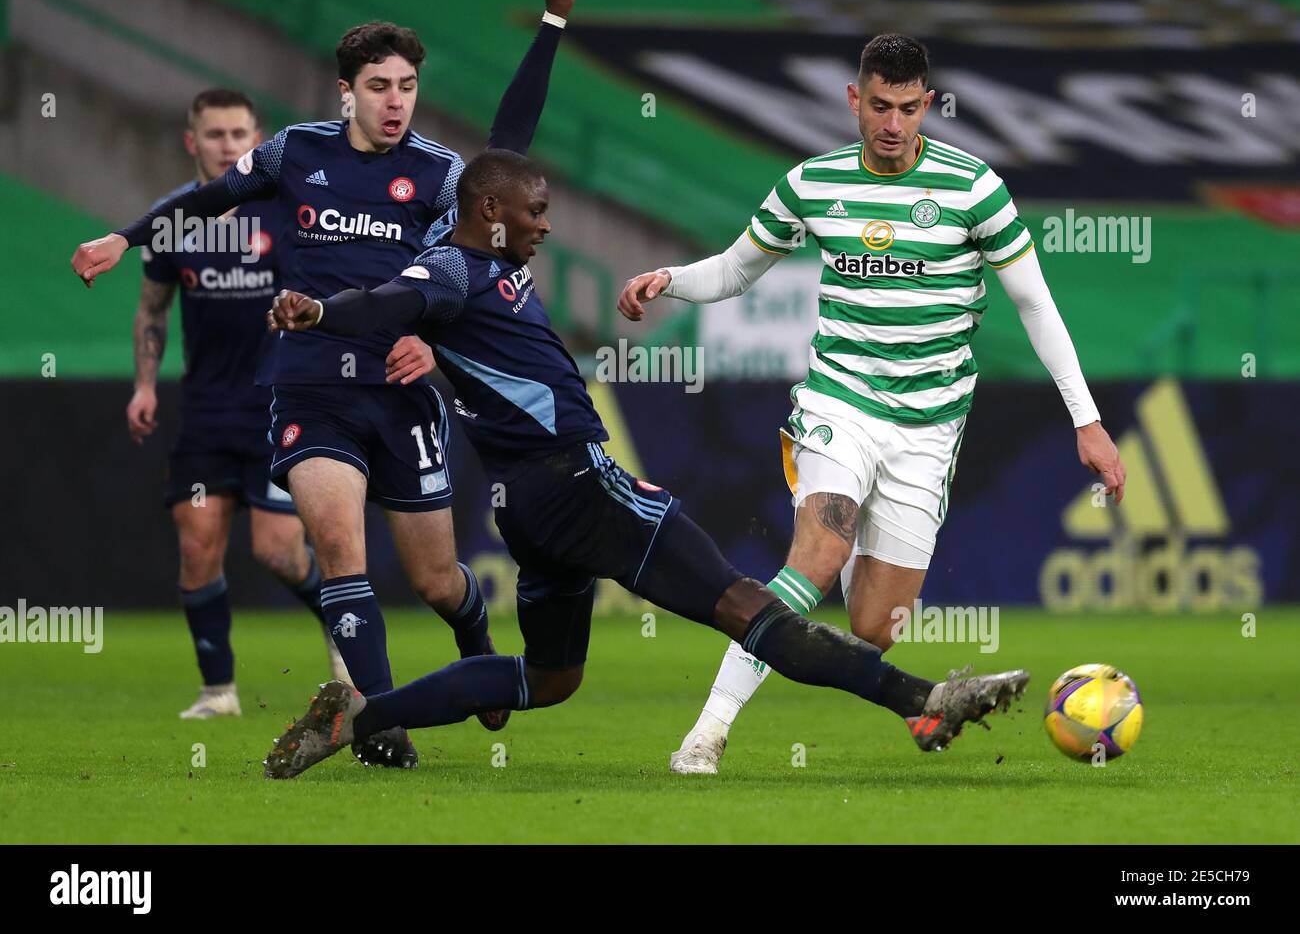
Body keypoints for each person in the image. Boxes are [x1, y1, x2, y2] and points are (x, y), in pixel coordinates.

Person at [259, 149, 1029, 780]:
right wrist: (323, 311)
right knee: (752, 610)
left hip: (528, 508)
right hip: (579, 484)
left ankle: (362, 715)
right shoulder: (453, 271)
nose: (547, 223)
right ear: (491, 213)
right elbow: (387, 301)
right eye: (536, 210)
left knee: (552, 678)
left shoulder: (487, 267)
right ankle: (924, 702)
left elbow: (433, 288)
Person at [72, 0, 578, 767]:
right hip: (307, 382)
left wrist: (552, 26)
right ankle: (380, 726)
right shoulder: (294, 154)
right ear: (346, 90)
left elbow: (505, 160)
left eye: (407, 86)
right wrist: (124, 237)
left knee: (438, 580)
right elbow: (207, 198)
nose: (395, 102)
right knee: (341, 554)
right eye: (379, 87)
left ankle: (473, 640)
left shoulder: (442, 175)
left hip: (401, 388)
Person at [618, 33, 1126, 774]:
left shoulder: (972, 187)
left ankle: (906, 689)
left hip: (928, 427)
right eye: (880, 106)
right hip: (840, 402)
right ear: (855, 100)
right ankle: (707, 733)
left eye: (909, 108)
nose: (893, 123)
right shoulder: (811, 184)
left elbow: (1034, 304)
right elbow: (733, 271)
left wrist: (1087, 420)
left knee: (874, 625)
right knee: (817, 554)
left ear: (928, 104)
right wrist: (669, 276)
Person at [132, 88, 360, 718]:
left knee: (278, 550)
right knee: (198, 543)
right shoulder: (175, 217)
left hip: (280, 407)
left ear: (256, 141)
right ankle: (218, 691)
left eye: (239, 135)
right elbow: (152, 309)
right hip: (207, 414)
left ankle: (341, 632)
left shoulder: (286, 210)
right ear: (192, 142)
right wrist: (145, 384)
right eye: (214, 135)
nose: (227, 145)